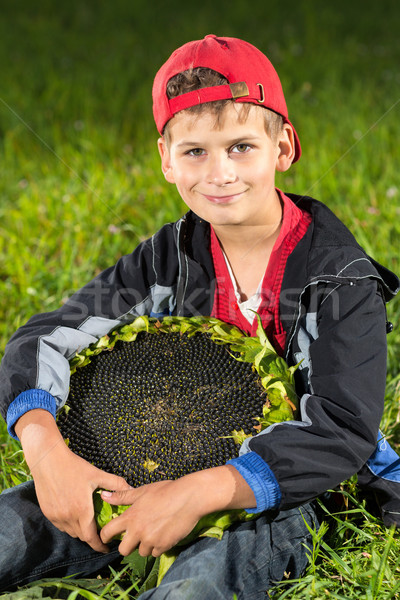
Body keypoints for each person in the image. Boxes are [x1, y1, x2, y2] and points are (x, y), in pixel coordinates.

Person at [0, 34, 399, 598]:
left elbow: (342, 426)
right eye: (195, 151)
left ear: (283, 146)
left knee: (193, 591)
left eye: (241, 146)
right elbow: (46, 336)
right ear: (166, 159)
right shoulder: (169, 258)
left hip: (272, 497)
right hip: (141, 464)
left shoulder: (339, 279)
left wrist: (197, 493)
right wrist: (46, 455)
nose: (219, 173)